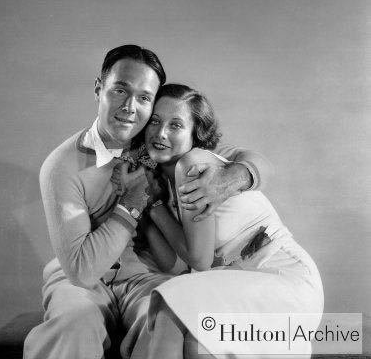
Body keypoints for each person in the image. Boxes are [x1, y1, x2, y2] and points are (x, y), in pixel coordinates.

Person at [23, 45, 273, 359]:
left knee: (172, 323)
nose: (130, 107)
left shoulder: (158, 143)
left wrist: (235, 176)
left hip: (146, 275)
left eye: (144, 98)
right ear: (99, 89)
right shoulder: (60, 166)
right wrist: (133, 202)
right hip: (79, 282)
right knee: (73, 325)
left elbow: (250, 160)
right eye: (120, 91)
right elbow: (81, 272)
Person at [120, 83, 323, 359]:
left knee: (172, 302)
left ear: (196, 133)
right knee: (197, 343)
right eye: (155, 121)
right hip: (237, 286)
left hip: (282, 280)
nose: (161, 133)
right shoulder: (163, 185)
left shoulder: (194, 164)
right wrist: (148, 205)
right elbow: (175, 265)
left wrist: (154, 206)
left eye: (176, 125)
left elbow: (200, 260)